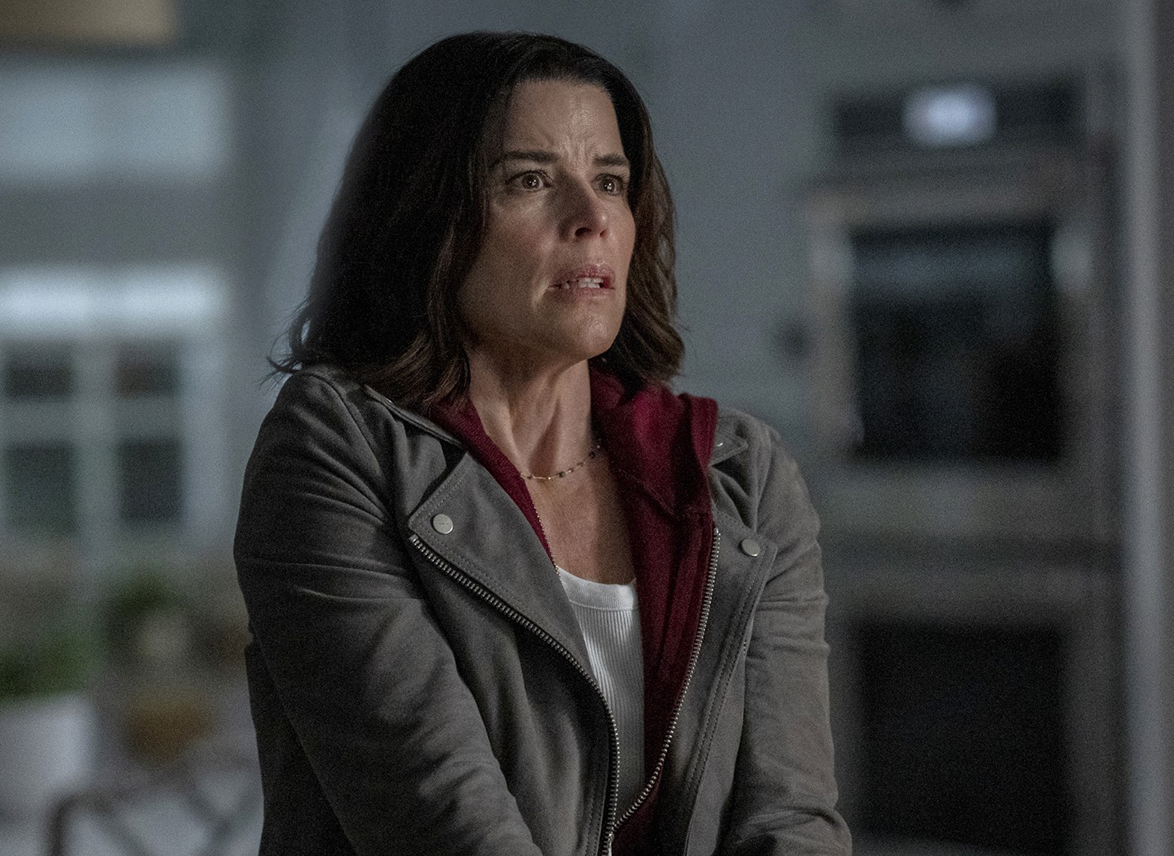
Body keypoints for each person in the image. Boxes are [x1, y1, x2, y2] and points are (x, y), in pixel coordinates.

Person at [235, 31, 851, 856]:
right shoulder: (335, 449)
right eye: (530, 180)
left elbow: (791, 817)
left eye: (612, 182)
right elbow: (443, 822)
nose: (592, 219)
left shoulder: (739, 473)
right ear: (428, 218)